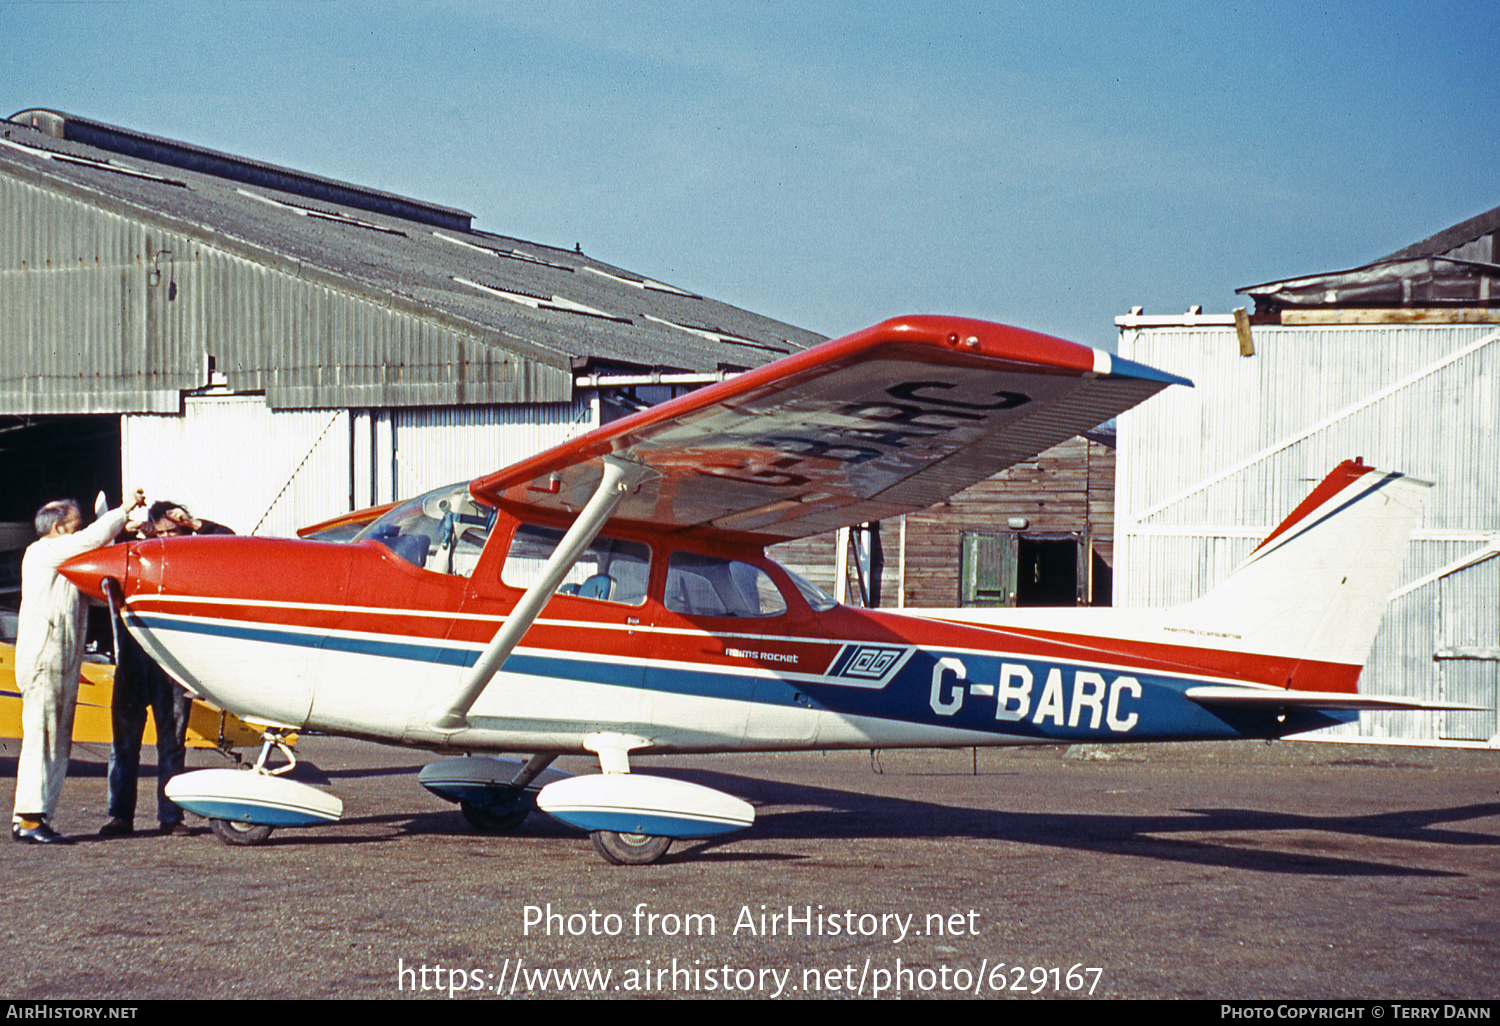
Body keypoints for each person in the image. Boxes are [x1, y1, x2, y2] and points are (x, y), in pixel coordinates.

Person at [12, 489, 146, 844]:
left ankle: (34, 816)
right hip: (45, 658)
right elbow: (93, 538)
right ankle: (28, 818)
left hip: (60, 658)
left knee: (54, 738)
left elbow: (96, 593)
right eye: (74, 522)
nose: (81, 527)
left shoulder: (64, 562)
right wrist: (122, 511)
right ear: (57, 528)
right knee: (43, 737)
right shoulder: (44, 552)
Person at [102, 503, 234, 837]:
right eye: (158, 533)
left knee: (172, 744)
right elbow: (100, 552)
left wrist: (195, 522)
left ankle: (171, 818)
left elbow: (229, 540)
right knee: (123, 744)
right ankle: (120, 816)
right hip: (133, 663)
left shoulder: (196, 558)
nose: (164, 539)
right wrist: (121, 528)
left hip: (171, 667)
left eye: (172, 532)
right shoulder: (135, 553)